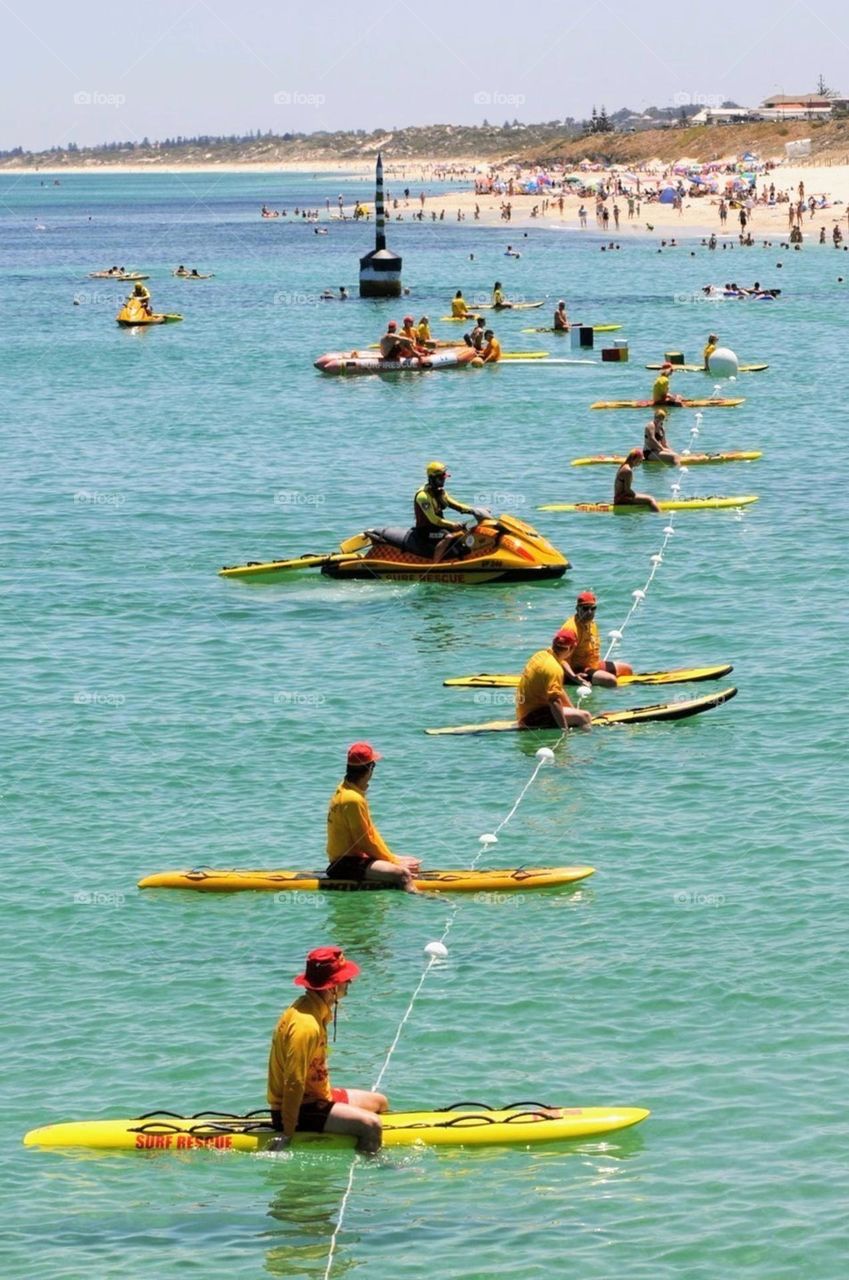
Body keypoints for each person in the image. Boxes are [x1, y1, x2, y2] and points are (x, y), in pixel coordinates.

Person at [267, 945, 387, 1154]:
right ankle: (372, 1169)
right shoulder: (306, 1026)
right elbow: (293, 1083)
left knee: (380, 1102)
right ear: (331, 987)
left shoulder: (313, 1008)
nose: (349, 982)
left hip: (318, 1096)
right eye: (344, 979)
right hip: (302, 1109)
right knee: (372, 1125)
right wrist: (287, 1133)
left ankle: (353, 1135)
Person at [326, 743, 420, 890]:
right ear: (369, 769)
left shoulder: (347, 789)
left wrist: (392, 857)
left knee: (409, 861)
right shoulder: (352, 799)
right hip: (345, 864)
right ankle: (425, 901)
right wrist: (393, 862)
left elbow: (369, 834)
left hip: (352, 858)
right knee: (403, 875)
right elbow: (364, 841)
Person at [515, 629, 593, 730]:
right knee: (585, 716)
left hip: (525, 712)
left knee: (575, 711)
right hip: (532, 718)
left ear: (553, 644)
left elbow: (558, 690)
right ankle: (587, 741)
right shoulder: (554, 669)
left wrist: (573, 710)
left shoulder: (541, 655)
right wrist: (564, 729)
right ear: (572, 648)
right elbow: (554, 702)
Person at [560, 591, 633, 688]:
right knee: (611, 680)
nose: (589, 612)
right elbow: (561, 659)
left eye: (593, 608)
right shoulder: (570, 629)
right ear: (577, 609)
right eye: (585, 608)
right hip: (578, 671)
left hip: (593, 665)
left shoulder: (591, 623)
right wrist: (574, 677)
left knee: (627, 669)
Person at [413, 460, 477, 562]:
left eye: (443, 478)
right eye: (440, 479)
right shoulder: (423, 496)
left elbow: (457, 505)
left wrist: (474, 511)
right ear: (432, 478)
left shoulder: (439, 492)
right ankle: (435, 566)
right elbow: (434, 520)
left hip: (438, 527)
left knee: (466, 530)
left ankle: (463, 556)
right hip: (425, 530)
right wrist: (452, 524)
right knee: (448, 537)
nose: (443, 481)